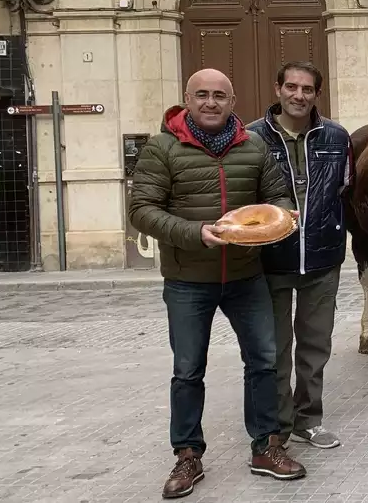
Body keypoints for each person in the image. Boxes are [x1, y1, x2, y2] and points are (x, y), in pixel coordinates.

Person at [129, 68, 307, 499]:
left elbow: (277, 195)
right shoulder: (163, 148)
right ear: (188, 99)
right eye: (203, 95)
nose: (211, 103)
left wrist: (283, 215)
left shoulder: (254, 145)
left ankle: (267, 446)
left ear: (233, 101)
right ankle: (187, 455)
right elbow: (141, 209)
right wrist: (196, 232)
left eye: (220, 96)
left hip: (246, 275)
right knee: (188, 370)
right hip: (189, 280)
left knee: (264, 362)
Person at [248, 61, 353, 451]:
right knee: (275, 349)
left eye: (307, 89)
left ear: (316, 95)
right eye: (291, 87)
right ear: (278, 89)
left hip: (323, 260)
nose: (298, 95)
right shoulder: (252, 138)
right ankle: (277, 424)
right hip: (270, 261)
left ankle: (309, 420)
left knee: (315, 346)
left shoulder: (337, 137)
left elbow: (346, 192)